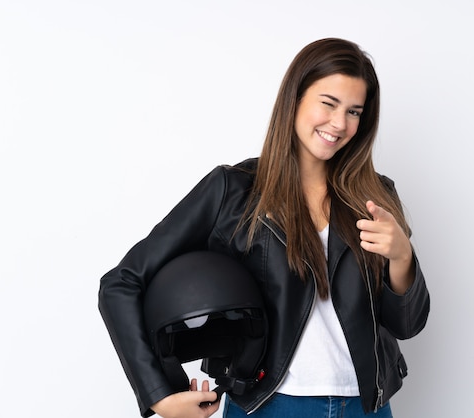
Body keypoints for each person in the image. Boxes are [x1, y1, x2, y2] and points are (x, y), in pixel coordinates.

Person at [99, 37, 430, 418]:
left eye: (354, 111)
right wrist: (158, 393)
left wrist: (402, 255)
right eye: (328, 103)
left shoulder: (376, 195)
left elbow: (407, 325)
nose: (339, 123)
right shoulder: (232, 191)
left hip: (367, 407)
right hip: (269, 406)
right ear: (295, 98)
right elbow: (121, 282)